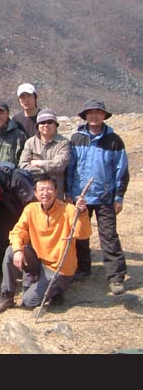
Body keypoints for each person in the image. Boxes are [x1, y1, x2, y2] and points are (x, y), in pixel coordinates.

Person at [0, 174, 91, 314]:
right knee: (11, 251)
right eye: (41, 189)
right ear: (35, 193)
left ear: (55, 191)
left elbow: (83, 234)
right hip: (39, 260)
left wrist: (82, 212)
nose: (45, 193)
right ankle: (7, 296)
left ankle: (57, 291)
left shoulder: (68, 210)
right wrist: (18, 250)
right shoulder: (31, 209)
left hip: (59, 268)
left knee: (29, 301)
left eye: (49, 189)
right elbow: (18, 232)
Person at [66, 99, 130, 295]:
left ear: (104, 115)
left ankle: (116, 277)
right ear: (85, 116)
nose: (94, 115)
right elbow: (70, 168)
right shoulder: (76, 138)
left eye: (98, 112)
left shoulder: (114, 140)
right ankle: (82, 268)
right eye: (90, 112)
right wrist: (69, 193)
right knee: (80, 234)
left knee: (109, 236)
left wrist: (119, 197)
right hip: (81, 197)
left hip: (105, 196)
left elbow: (121, 170)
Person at [19, 109, 70, 200]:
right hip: (34, 193)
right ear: (38, 126)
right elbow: (23, 165)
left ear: (55, 125)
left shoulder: (64, 143)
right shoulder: (30, 143)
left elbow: (60, 165)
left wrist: (38, 163)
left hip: (56, 193)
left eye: (49, 122)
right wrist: (46, 171)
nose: (46, 125)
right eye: (42, 122)